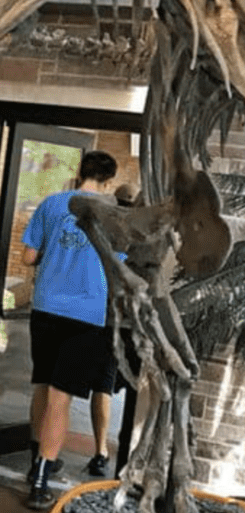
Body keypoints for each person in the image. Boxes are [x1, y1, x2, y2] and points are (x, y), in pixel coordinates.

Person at [23, 150, 118, 511]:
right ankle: (42, 480)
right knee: (61, 399)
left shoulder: (51, 203)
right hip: (86, 315)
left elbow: (28, 257)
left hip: (46, 307)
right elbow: (117, 268)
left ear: (80, 174)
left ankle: (37, 458)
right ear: (108, 182)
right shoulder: (112, 215)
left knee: (43, 385)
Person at [85, 180, 139, 477]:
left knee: (103, 386)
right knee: (123, 389)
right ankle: (119, 455)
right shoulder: (141, 235)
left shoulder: (105, 232)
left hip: (110, 321)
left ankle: (101, 451)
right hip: (128, 323)